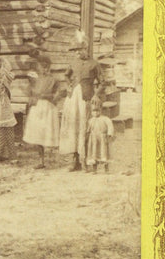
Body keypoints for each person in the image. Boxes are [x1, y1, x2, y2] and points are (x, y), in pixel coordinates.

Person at [60, 37, 102, 171]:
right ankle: (74, 161)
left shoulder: (94, 64)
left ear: (85, 49)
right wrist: (69, 85)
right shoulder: (73, 63)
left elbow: (102, 81)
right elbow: (66, 75)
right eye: (75, 52)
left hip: (86, 98)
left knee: (85, 127)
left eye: (79, 51)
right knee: (73, 127)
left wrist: (96, 94)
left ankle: (86, 161)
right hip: (73, 98)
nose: (77, 54)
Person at [23, 55, 61, 168]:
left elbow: (57, 95)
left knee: (47, 133)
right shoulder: (36, 79)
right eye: (42, 67)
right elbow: (30, 92)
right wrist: (31, 98)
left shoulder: (54, 80)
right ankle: (41, 161)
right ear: (39, 67)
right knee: (38, 133)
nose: (44, 69)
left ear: (49, 67)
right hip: (38, 107)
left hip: (48, 108)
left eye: (46, 67)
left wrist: (49, 96)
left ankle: (54, 159)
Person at [85, 97, 115, 173]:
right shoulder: (91, 120)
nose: (95, 113)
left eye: (97, 111)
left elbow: (110, 126)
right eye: (93, 111)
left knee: (104, 152)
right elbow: (88, 129)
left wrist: (109, 134)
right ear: (91, 112)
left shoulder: (105, 119)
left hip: (102, 138)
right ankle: (94, 169)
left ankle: (106, 169)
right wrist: (86, 135)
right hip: (94, 139)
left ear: (100, 110)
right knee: (94, 152)